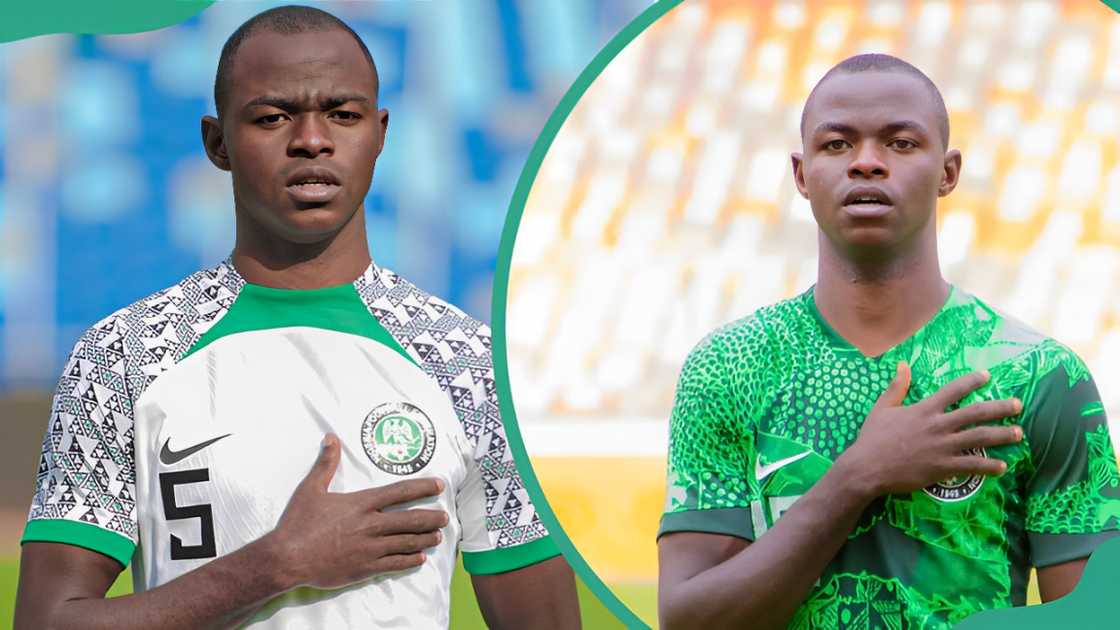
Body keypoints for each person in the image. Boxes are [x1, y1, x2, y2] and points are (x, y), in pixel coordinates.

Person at [14, 6, 579, 629]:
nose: (312, 139)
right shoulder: (123, 355)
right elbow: (45, 622)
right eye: (272, 117)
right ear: (218, 143)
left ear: (380, 134)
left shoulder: (469, 364)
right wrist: (274, 566)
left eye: (343, 114)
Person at [657, 53, 1120, 629]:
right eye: (837, 145)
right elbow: (688, 619)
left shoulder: (1041, 376)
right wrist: (858, 476)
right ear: (801, 175)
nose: (867, 163)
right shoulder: (729, 367)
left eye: (901, 143)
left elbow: (1094, 615)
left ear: (948, 172)